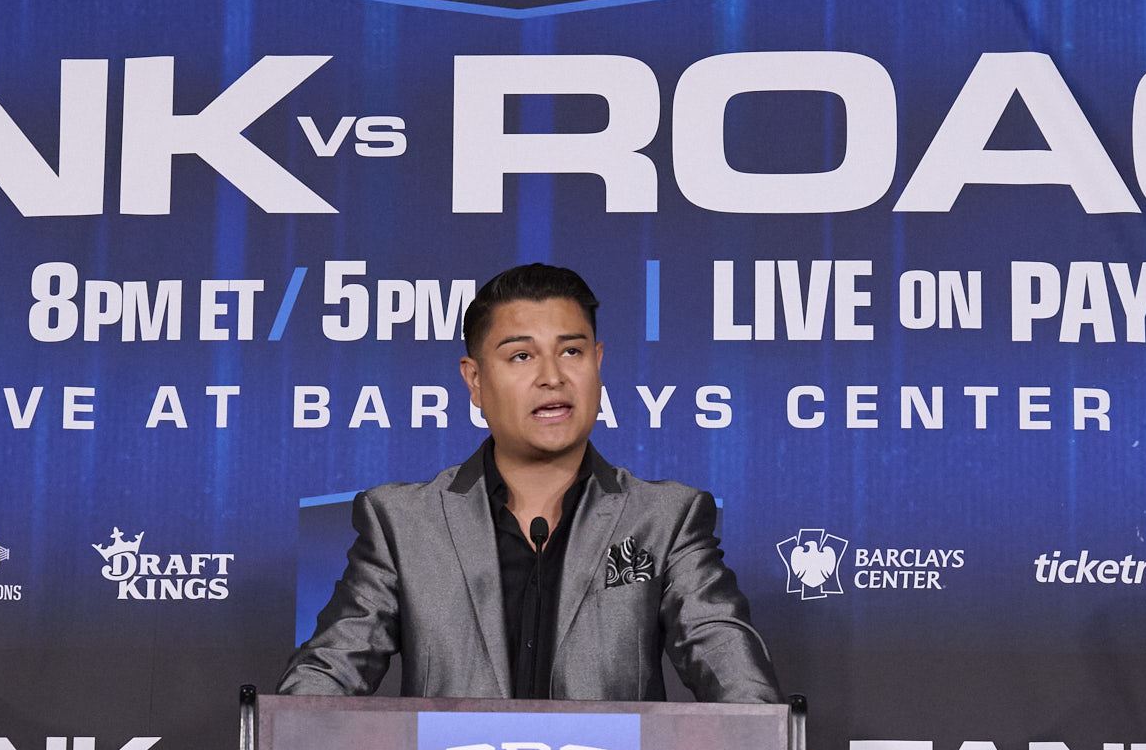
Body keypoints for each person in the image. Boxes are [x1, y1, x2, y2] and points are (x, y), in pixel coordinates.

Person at [282, 263, 783, 706]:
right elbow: (330, 671)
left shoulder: (665, 518)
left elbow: (729, 663)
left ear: (598, 362)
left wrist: (777, 749)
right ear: (475, 381)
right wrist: (276, 748)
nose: (552, 377)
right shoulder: (404, 522)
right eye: (521, 356)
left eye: (571, 351)